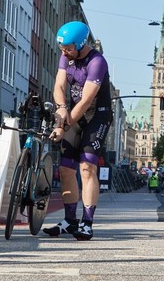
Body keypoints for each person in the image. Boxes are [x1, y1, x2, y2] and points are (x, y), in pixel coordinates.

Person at [44, 21, 114, 241]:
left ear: (82, 43)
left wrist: (62, 127)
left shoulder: (97, 62)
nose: (64, 52)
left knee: (87, 168)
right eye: (62, 48)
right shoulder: (66, 57)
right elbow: (59, 86)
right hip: (74, 112)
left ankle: (87, 222)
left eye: (69, 48)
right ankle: (70, 220)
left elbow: (85, 102)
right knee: (65, 169)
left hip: (97, 115)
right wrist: (61, 109)